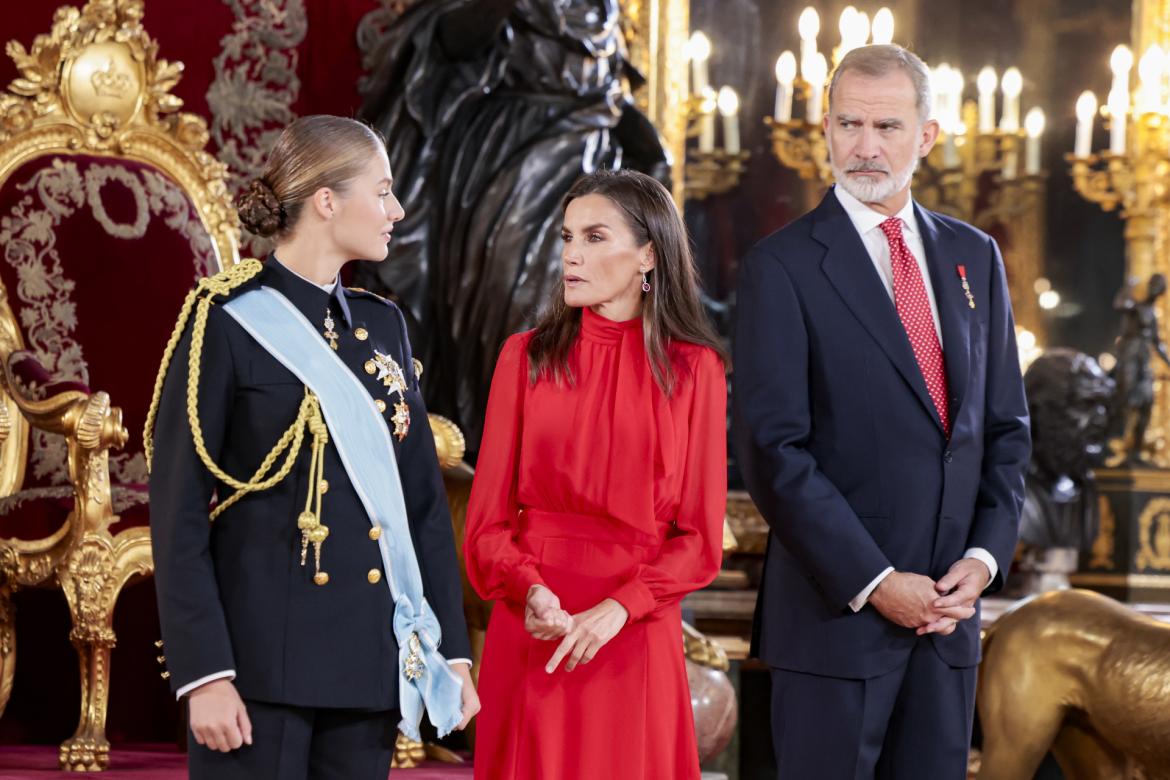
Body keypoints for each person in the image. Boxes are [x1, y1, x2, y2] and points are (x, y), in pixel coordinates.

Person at [146, 114, 479, 780]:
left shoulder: (383, 328)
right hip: (256, 668)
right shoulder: (226, 319)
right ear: (327, 201)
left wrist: (453, 654)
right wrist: (204, 671)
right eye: (381, 191)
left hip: (367, 662)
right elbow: (177, 513)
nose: (396, 209)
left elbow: (422, 511)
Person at [733, 45, 1031, 778]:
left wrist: (984, 560)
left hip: (949, 630)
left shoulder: (975, 257)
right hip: (835, 629)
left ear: (926, 136)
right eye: (849, 124)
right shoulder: (781, 267)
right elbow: (775, 452)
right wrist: (876, 582)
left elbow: (1004, 431)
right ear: (825, 130)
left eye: (887, 127)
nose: (865, 147)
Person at [463, 169, 727, 779]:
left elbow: (699, 542)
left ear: (648, 255)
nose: (572, 255)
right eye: (567, 237)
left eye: (594, 237)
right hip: (536, 630)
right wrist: (529, 590)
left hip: (636, 632)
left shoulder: (696, 370)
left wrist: (621, 607)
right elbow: (485, 527)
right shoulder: (524, 357)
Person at [356, 0, 670, 453]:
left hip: (589, 154)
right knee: (518, 300)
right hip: (510, 156)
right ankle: (500, 451)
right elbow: (443, 43)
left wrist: (643, 142)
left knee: (592, 313)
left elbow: (606, 86)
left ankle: (565, 458)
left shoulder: (605, 9)